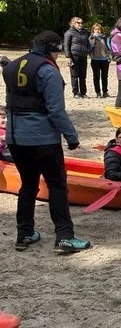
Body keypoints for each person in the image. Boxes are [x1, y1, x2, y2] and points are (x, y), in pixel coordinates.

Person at [2, 30, 90, 254]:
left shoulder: (11, 67)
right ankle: (65, 237)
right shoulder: (47, 70)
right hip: (42, 139)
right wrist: (71, 137)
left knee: (28, 185)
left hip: (14, 138)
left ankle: (24, 234)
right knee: (57, 186)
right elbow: (56, 110)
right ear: (50, 50)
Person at [63, 16, 90, 98]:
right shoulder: (69, 32)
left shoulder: (85, 32)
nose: (80, 24)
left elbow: (88, 43)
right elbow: (66, 46)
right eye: (78, 23)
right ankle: (76, 92)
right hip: (74, 56)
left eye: (81, 23)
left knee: (83, 75)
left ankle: (83, 92)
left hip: (83, 56)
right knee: (74, 75)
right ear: (73, 23)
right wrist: (68, 57)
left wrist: (88, 50)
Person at [89, 23, 111, 98]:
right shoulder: (91, 38)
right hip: (95, 59)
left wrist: (109, 56)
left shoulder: (105, 38)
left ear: (101, 30)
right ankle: (98, 92)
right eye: (96, 29)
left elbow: (109, 48)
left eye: (99, 29)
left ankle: (105, 91)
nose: (97, 30)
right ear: (93, 30)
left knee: (105, 76)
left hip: (105, 59)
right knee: (96, 76)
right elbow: (90, 48)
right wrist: (93, 39)